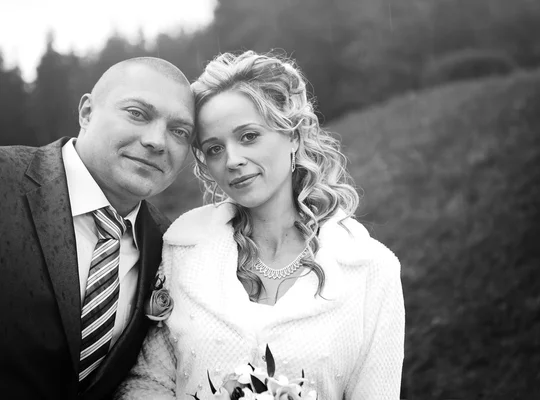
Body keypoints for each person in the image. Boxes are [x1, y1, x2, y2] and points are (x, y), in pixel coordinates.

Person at [116, 51, 404, 399]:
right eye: (214, 148)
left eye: (249, 136)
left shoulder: (371, 270)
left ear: (293, 135)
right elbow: (148, 381)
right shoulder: (183, 252)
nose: (233, 160)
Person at [0, 57, 196, 400]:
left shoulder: (170, 246)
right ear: (87, 112)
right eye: (137, 113)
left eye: (179, 131)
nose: (157, 141)